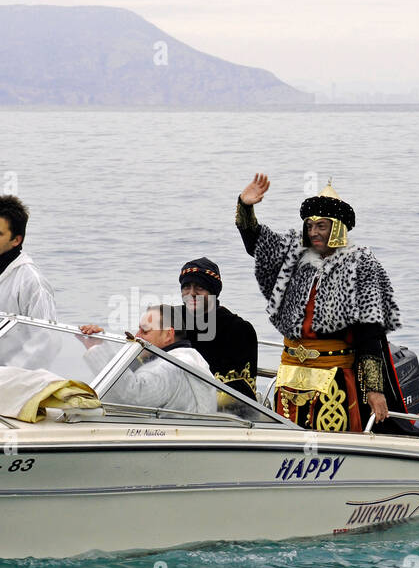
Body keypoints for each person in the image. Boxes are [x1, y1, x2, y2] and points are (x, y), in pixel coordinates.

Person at [235, 172, 401, 433]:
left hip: (334, 377)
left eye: (321, 226)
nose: (313, 232)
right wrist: (246, 207)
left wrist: (374, 390)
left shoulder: (361, 265)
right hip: (290, 372)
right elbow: (258, 244)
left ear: (337, 228)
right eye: (309, 226)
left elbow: (371, 333)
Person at [82, 305, 217, 414]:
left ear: (168, 335)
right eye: (139, 330)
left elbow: (131, 396)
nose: (137, 336)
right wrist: (101, 344)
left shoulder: (172, 367)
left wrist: (97, 349)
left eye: (145, 331)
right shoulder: (187, 360)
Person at [177, 257, 259, 399]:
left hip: (216, 414)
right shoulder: (170, 319)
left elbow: (239, 392)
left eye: (199, 287)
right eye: (186, 287)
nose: (192, 293)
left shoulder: (238, 329)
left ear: (213, 292)